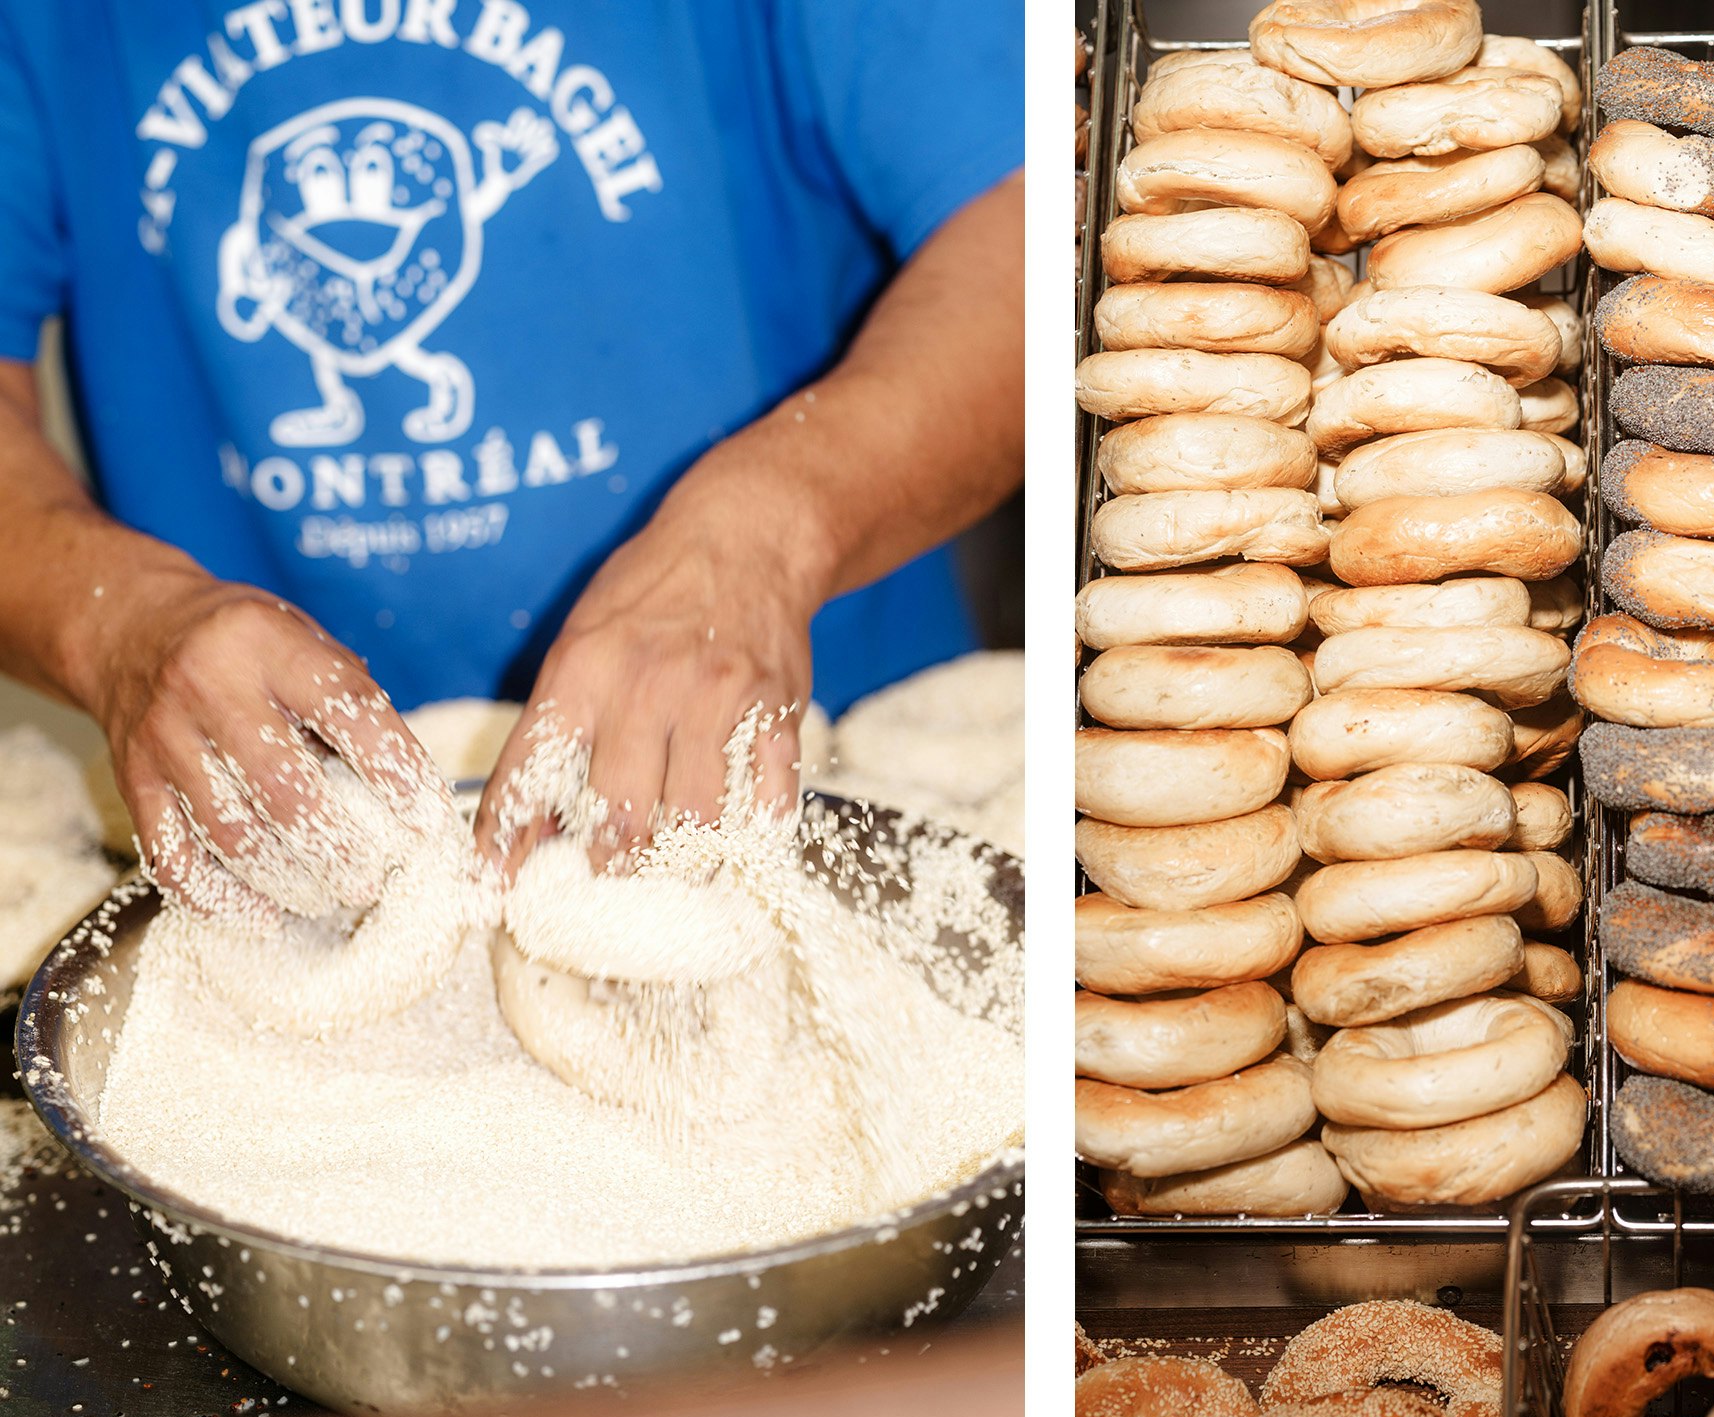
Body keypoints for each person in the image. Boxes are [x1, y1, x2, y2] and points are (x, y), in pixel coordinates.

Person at [0, 1, 1022, 894]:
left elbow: (1022, 239)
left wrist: (775, 532)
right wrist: (120, 620)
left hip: (837, 758)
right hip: (282, 819)